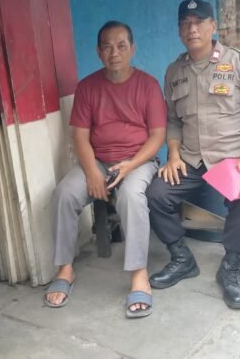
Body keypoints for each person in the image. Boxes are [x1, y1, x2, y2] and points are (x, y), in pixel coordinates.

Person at [146, 0, 240, 310]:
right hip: (190, 158)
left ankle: (231, 266)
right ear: (179, 30)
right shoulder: (174, 71)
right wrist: (173, 155)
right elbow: (173, 120)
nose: (192, 29)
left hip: (231, 157)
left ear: (213, 26)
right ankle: (181, 258)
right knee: (156, 194)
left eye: (199, 22)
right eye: (185, 23)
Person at [44, 21, 167, 318]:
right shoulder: (87, 87)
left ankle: (139, 273)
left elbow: (157, 136)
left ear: (132, 49)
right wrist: (92, 171)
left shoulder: (148, 85)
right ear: (98, 52)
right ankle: (65, 268)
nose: (115, 53)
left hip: (138, 160)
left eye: (121, 46)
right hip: (98, 159)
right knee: (64, 194)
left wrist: (131, 164)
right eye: (107, 47)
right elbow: (80, 136)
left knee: (131, 197)